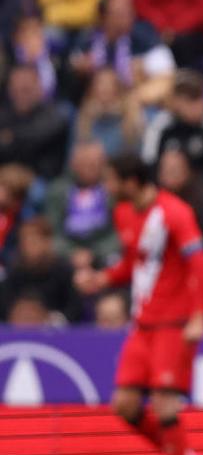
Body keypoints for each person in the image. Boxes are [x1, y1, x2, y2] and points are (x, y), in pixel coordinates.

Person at [72, 153, 203, 455]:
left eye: (112, 180)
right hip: (143, 324)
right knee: (124, 405)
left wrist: (199, 315)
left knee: (166, 405)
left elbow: (201, 263)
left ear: (131, 182)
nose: (107, 187)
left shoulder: (174, 213)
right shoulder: (125, 213)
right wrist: (102, 279)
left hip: (174, 323)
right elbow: (136, 264)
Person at [66, 0, 177, 108]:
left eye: (129, 11)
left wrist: (136, 93)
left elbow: (165, 78)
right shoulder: (87, 41)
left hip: (136, 104)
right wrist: (80, 73)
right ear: (103, 17)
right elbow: (69, 76)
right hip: (94, 108)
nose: (127, 17)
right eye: (119, 13)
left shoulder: (145, 38)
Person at [141, 69, 203, 179]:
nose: (199, 105)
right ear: (175, 100)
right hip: (164, 188)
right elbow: (149, 163)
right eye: (190, 99)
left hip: (199, 190)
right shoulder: (161, 124)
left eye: (198, 97)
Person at [42, 140, 119, 268]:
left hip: (106, 254)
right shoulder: (58, 191)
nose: (92, 169)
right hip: (67, 257)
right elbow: (52, 232)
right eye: (86, 164)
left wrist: (95, 253)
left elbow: (120, 231)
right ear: (73, 165)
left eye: (96, 164)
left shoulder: (113, 190)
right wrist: (72, 253)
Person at [0, 216, 83, 323]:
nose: (29, 246)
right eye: (25, 241)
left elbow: (74, 308)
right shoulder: (14, 271)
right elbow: (4, 305)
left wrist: (54, 319)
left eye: (34, 241)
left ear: (47, 242)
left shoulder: (63, 271)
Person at [0, 63, 70, 180]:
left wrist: (11, 138)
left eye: (26, 90)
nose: (20, 95)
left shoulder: (54, 115)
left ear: (39, 88)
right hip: (6, 177)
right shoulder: (4, 114)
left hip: (41, 178)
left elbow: (38, 138)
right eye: (15, 90)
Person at [70, 68, 145, 159]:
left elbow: (137, 157)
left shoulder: (131, 118)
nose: (105, 88)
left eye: (109, 83)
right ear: (92, 89)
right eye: (100, 83)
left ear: (118, 88)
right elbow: (72, 158)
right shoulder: (82, 120)